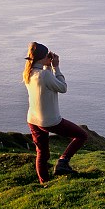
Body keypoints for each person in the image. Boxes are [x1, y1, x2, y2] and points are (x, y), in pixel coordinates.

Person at [23, 42, 87, 184]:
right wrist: (56, 67)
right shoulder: (44, 75)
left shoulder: (29, 72)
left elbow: (46, 81)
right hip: (49, 120)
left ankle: (44, 182)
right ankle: (63, 162)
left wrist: (47, 65)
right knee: (81, 135)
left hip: (33, 119)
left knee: (42, 153)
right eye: (47, 56)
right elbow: (63, 87)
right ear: (42, 58)